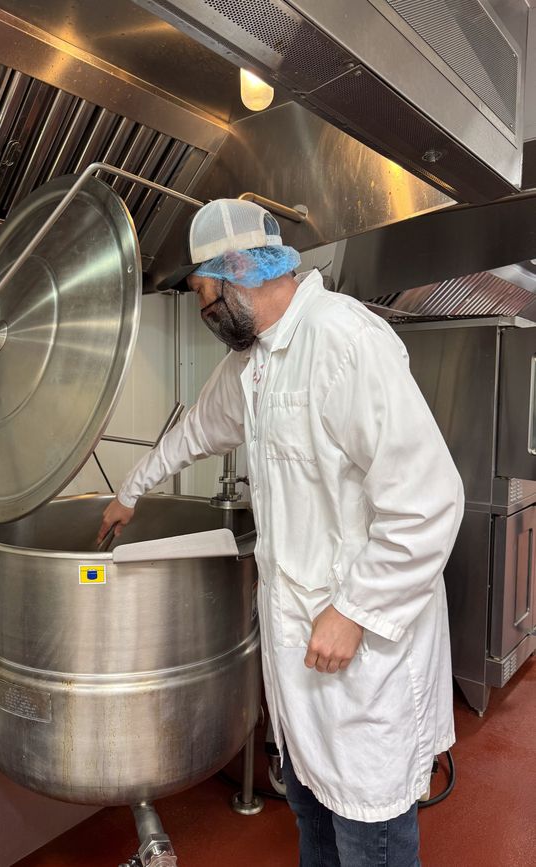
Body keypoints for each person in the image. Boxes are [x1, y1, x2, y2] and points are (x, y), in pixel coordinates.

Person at [97, 199, 464, 866]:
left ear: (243, 270)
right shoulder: (254, 362)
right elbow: (196, 430)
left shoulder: (344, 341)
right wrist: (130, 491)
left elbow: (429, 501)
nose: (207, 315)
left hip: (363, 662)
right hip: (299, 663)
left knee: (368, 836)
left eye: (209, 298)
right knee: (311, 813)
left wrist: (354, 611)